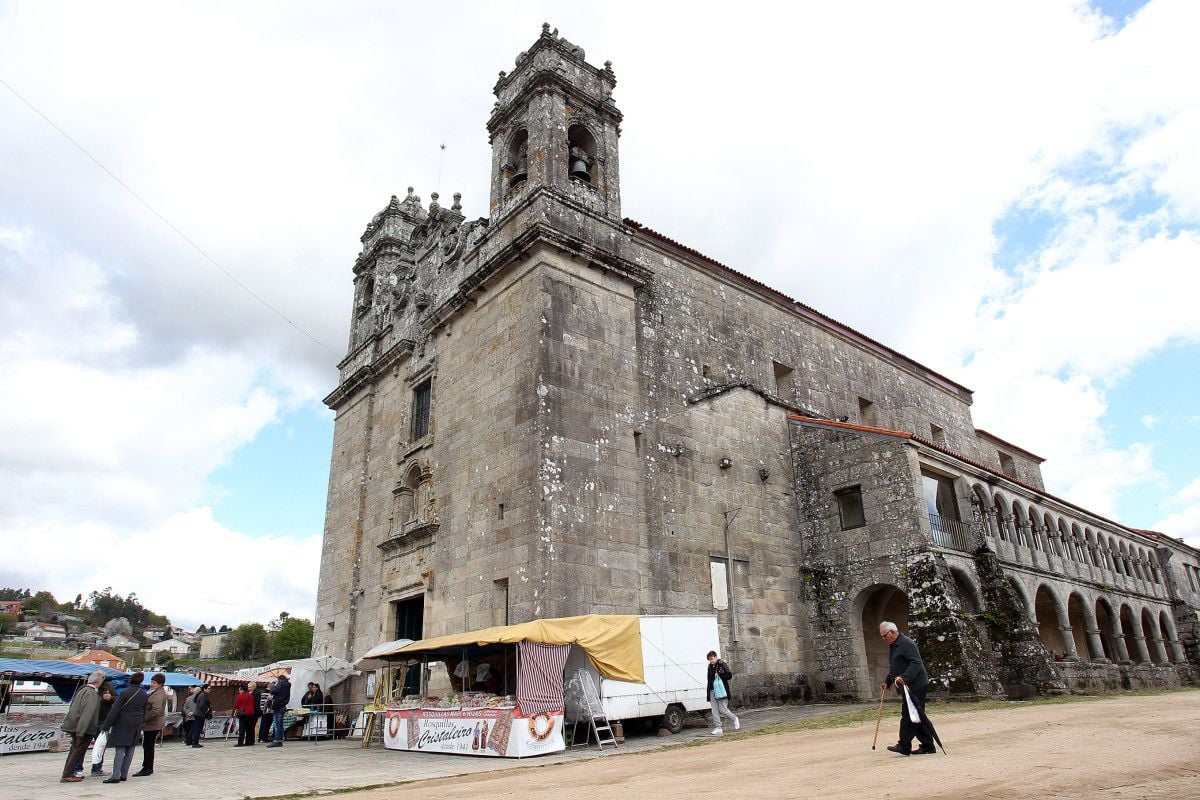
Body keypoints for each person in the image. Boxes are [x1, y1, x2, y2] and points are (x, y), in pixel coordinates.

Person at [879, 621, 936, 756]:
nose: (883, 638)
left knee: (909, 715)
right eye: (881, 636)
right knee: (916, 715)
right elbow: (896, 667)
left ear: (892, 632)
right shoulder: (894, 645)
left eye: (884, 635)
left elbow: (916, 663)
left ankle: (904, 745)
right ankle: (928, 745)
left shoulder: (907, 643)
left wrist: (905, 677)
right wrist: (888, 682)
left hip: (916, 685)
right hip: (907, 686)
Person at [99, 671, 148, 783]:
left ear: (131, 680)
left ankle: (116, 775)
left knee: (120, 750)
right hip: (136, 724)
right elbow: (144, 711)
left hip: (123, 723)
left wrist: (106, 725)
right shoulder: (144, 694)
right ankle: (124, 774)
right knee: (130, 749)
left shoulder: (124, 692)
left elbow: (115, 710)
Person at [59, 670, 105, 783]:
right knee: (77, 751)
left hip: (74, 725)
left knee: (74, 750)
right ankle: (67, 774)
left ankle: (68, 772)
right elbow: (87, 713)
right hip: (83, 728)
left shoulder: (82, 690)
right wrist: (81, 731)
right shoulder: (92, 694)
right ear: (99, 681)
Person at [133, 673, 167, 776]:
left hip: (153, 724)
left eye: (154, 683)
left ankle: (147, 768)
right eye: (151, 682)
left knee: (148, 746)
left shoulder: (159, 694)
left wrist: (144, 718)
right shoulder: (153, 692)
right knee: (147, 745)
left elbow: (156, 710)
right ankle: (146, 766)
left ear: (160, 684)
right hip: (151, 723)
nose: (152, 684)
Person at [705, 650, 740, 735]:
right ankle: (718, 727)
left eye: (712, 658)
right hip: (712, 690)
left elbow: (729, 675)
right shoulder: (709, 666)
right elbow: (709, 680)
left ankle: (734, 718)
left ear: (716, 657)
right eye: (709, 659)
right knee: (714, 710)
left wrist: (720, 675)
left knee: (723, 709)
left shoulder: (722, 664)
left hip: (721, 690)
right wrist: (708, 693)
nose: (711, 661)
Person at [87, 680, 116, 778]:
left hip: (103, 721)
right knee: (82, 746)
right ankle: (77, 769)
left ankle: (97, 768)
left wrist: (110, 698)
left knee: (101, 746)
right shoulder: (87, 686)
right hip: (89, 720)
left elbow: (116, 699)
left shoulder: (108, 686)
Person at [267, 673, 291, 747]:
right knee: (280, 724)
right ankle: (279, 739)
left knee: (277, 724)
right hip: (283, 705)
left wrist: (272, 687)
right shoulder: (287, 684)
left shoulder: (280, 684)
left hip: (278, 705)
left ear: (279, 679)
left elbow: (273, 691)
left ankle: (277, 740)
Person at [233, 682, 257, 746]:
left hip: (243, 713)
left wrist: (234, 711)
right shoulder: (251, 695)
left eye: (239, 690)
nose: (239, 691)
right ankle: (249, 742)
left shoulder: (240, 695)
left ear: (242, 689)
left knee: (242, 728)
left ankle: (240, 742)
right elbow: (253, 704)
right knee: (249, 728)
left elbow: (236, 705)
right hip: (251, 713)